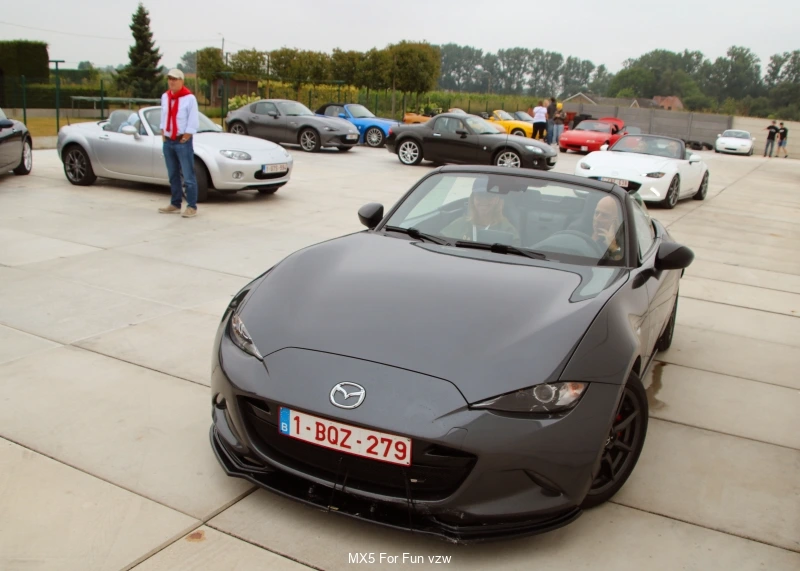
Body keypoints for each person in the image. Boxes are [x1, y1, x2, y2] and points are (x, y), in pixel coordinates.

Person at [158, 68, 200, 217]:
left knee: (188, 176)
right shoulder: (165, 97)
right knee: (173, 175)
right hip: (168, 141)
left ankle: (192, 206)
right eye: (170, 79)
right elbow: (164, 116)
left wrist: (186, 137)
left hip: (182, 141)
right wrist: (163, 133)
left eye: (175, 79)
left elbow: (193, 121)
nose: (172, 82)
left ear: (181, 81)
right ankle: (175, 203)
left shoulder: (189, 98)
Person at [440, 181, 520, 245]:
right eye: (479, 196)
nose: (484, 200)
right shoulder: (460, 224)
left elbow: (514, 256)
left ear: (497, 200)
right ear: (473, 199)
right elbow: (440, 243)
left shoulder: (507, 230)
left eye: (489, 196)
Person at [591, 196, 624, 261]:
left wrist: (613, 247)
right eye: (596, 213)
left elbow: (621, 262)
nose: (597, 219)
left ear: (615, 221)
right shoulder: (580, 229)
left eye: (604, 215)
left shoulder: (624, 241)